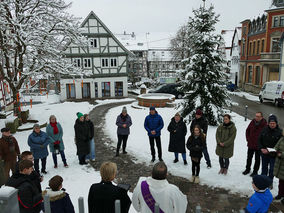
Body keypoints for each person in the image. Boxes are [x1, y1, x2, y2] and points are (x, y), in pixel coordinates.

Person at [258, 114, 282, 182]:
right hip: (264, 153)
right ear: (268, 123)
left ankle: (269, 182)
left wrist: (270, 151)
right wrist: (261, 148)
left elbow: (280, 145)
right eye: (270, 123)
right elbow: (259, 139)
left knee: (272, 169)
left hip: (273, 155)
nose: (272, 125)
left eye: (273, 123)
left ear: (276, 123)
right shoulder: (264, 129)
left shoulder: (280, 132)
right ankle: (263, 181)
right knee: (264, 168)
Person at [243, 112, 267, 177]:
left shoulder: (264, 124)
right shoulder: (252, 122)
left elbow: (265, 136)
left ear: (262, 117)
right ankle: (247, 169)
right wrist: (248, 139)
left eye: (258, 116)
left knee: (257, 159)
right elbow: (247, 130)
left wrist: (262, 144)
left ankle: (255, 171)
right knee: (249, 158)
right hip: (251, 144)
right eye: (256, 116)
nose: (256, 117)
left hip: (259, 146)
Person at [273, 131, 284, 203]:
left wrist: (281, 154)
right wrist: (275, 150)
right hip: (280, 163)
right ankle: (280, 194)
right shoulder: (282, 139)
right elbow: (276, 147)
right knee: (281, 181)